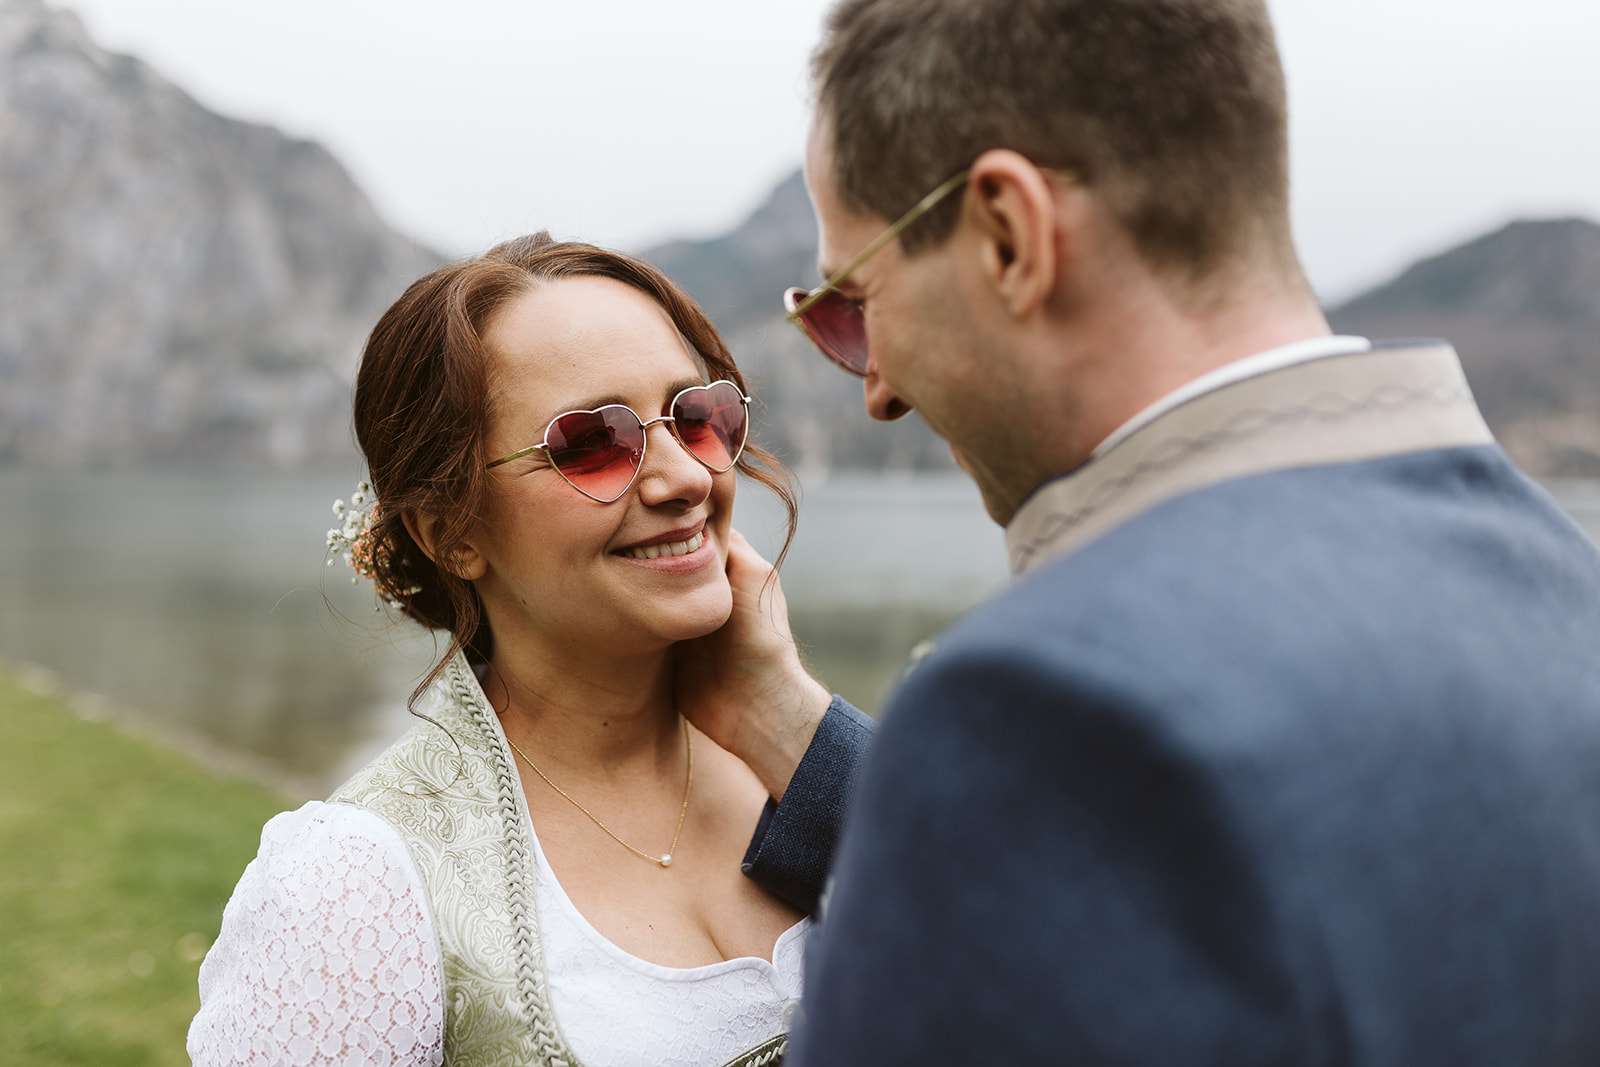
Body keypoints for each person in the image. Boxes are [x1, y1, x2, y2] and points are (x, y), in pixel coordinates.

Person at [770, 0, 1600, 1063]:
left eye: (850, 302)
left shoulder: (1041, 711)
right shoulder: (1565, 590)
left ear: (1008, 235)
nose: (874, 385)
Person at [188, 234, 873, 1067]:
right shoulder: (357, 888)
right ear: (453, 533)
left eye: (696, 416)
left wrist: (785, 711)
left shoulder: (810, 761)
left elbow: (1045, 943)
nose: (686, 478)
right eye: (593, 442)